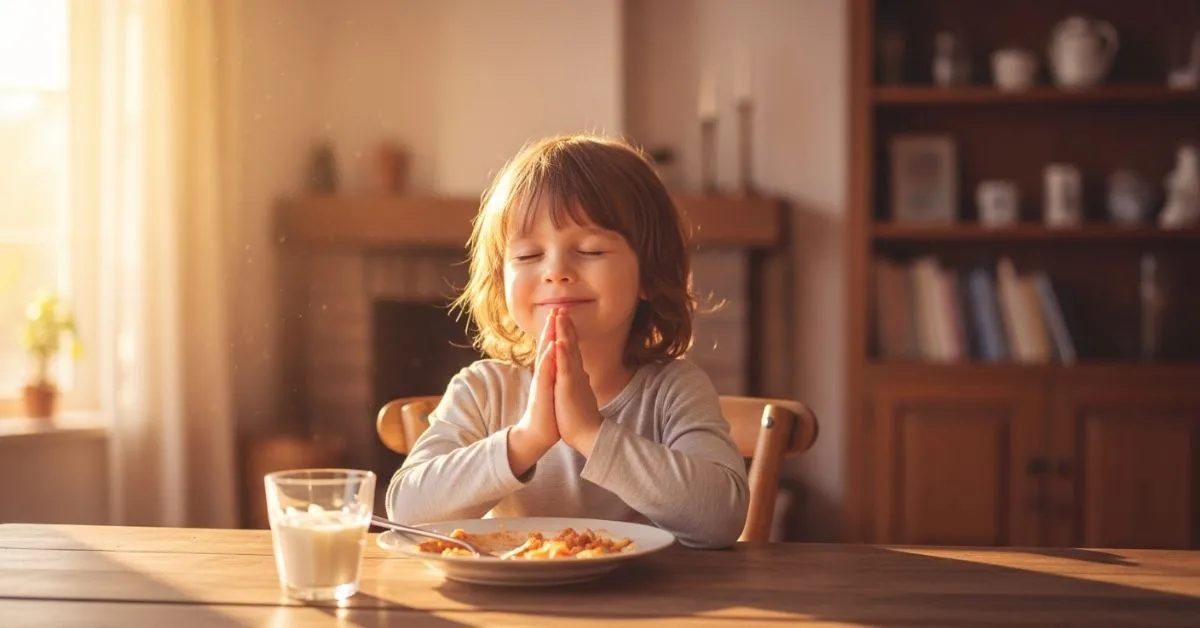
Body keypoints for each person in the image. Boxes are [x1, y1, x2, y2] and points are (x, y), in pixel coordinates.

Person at [385, 134, 749, 549]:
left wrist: (589, 433)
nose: (555, 271)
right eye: (527, 256)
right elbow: (406, 511)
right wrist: (528, 438)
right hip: (514, 608)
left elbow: (721, 519)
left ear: (648, 273)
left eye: (591, 250)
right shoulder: (482, 390)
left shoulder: (674, 391)